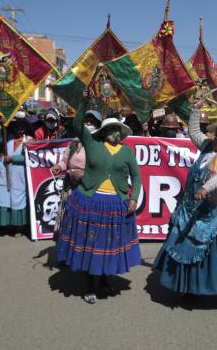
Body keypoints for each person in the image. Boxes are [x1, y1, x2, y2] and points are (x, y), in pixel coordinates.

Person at [153, 98, 217, 307]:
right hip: (196, 208)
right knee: (188, 247)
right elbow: (195, 133)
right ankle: (191, 288)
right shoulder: (208, 146)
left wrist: (205, 188)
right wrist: (195, 112)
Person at [56, 91, 142, 304]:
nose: (114, 133)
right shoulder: (92, 144)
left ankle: (103, 280)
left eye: (117, 129)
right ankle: (89, 285)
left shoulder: (127, 152)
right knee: (90, 245)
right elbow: (77, 123)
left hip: (116, 204)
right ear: (104, 131)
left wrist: (134, 198)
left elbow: (137, 176)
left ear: (121, 132)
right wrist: (83, 101)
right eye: (110, 129)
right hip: (90, 201)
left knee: (108, 246)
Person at [51, 110, 102, 238]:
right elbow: (65, 161)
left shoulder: (101, 144)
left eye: (92, 120)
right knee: (69, 216)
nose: (88, 123)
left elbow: (102, 167)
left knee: (86, 220)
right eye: (86, 120)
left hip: (89, 189)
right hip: (71, 187)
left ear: (98, 123)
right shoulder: (74, 143)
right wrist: (59, 166)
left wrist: (85, 175)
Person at [0, 112, 32, 235]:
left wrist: (13, 159)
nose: (19, 130)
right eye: (16, 126)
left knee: (19, 201)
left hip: (20, 176)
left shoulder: (30, 140)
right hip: (6, 175)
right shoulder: (7, 138)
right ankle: (7, 226)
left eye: (21, 127)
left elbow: (30, 158)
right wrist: (0, 126)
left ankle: (20, 227)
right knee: (6, 200)